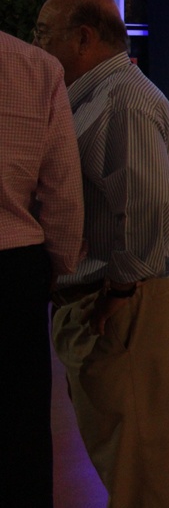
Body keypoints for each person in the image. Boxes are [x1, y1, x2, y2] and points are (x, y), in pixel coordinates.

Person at [34, 0, 169, 508]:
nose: (35, 47)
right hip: (113, 300)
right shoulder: (103, 96)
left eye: (42, 34)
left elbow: (146, 205)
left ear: (83, 38)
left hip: (123, 304)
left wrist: (120, 290)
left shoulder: (121, 100)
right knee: (129, 458)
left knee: (140, 467)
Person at [0, 30, 84, 508]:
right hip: (13, 268)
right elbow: (62, 190)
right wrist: (59, 265)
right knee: (19, 422)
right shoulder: (34, 66)